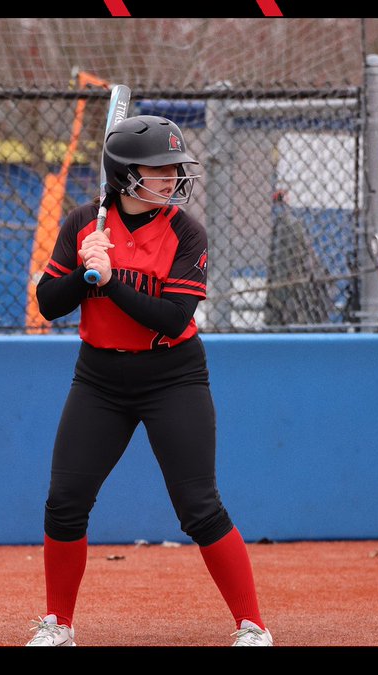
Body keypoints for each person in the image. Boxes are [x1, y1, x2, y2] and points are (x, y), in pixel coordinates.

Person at [26, 115, 271, 647]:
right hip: (98, 379)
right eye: (159, 168)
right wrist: (82, 271)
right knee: (65, 501)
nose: (172, 177)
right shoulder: (82, 225)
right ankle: (58, 626)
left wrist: (109, 282)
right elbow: (48, 305)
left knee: (199, 507)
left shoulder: (187, 232)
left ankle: (252, 627)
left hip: (172, 376)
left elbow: (173, 317)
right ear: (125, 173)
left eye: (174, 168)